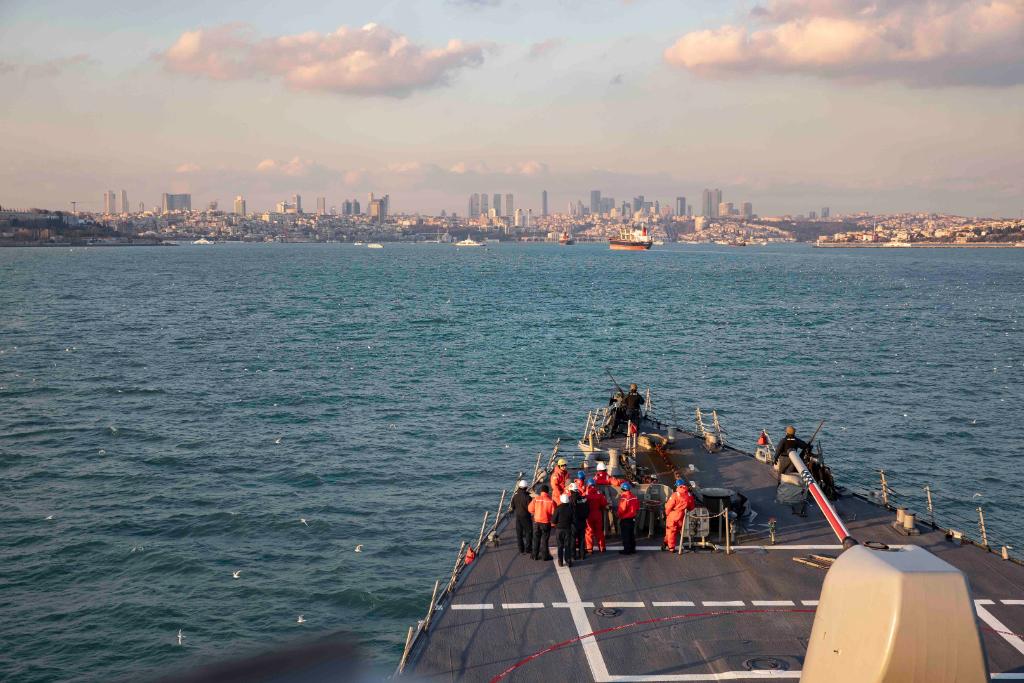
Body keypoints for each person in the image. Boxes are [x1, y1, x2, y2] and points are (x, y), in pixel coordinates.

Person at [662, 479, 696, 552]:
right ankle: (665, 542)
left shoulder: (675, 495)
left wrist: (666, 514)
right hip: (682, 516)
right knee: (675, 530)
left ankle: (671, 547)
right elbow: (692, 506)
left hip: (673, 515)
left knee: (671, 531)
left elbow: (668, 506)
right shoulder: (689, 495)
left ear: (677, 486)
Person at [528, 485, 556, 561]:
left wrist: (536, 512)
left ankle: (534, 555)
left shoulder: (536, 499)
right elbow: (554, 513)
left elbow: (530, 509)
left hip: (536, 522)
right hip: (546, 523)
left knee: (536, 539)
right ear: (547, 492)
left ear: (541, 491)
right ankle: (545, 556)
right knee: (544, 540)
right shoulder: (550, 501)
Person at [551, 493, 576, 567]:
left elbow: (553, 521)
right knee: (567, 545)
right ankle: (568, 560)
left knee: (560, 546)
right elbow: (573, 519)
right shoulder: (570, 509)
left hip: (559, 530)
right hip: (567, 529)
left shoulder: (558, 509)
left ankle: (560, 561)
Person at [584, 478, 608, 552]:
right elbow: (604, 504)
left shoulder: (585, 494)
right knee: (599, 531)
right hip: (598, 514)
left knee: (588, 531)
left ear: (588, 485)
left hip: (589, 514)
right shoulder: (599, 494)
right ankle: (602, 547)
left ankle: (589, 548)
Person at [510, 480, 533, 555]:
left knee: (519, 534)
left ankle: (521, 549)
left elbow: (512, 507)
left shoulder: (515, 496)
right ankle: (528, 549)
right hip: (526, 517)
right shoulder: (528, 497)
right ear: (526, 487)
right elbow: (531, 508)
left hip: (518, 517)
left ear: (519, 487)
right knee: (528, 533)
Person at [617, 482, 640, 555]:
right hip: (632, 518)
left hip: (625, 519)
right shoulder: (634, 496)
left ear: (623, 489)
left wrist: (617, 515)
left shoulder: (624, 497)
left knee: (625, 535)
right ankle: (632, 549)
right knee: (631, 534)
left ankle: (627, 550)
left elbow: (622, 509)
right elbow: (637, 507)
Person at [571, 483, 590, 560]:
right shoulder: (583, 499)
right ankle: (582, 555)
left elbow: (569, 511)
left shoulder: (571, 499)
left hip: (574, 523)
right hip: (582, 522)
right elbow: (587, 509)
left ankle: (573, 555)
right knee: (582, 539)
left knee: (573, 539)